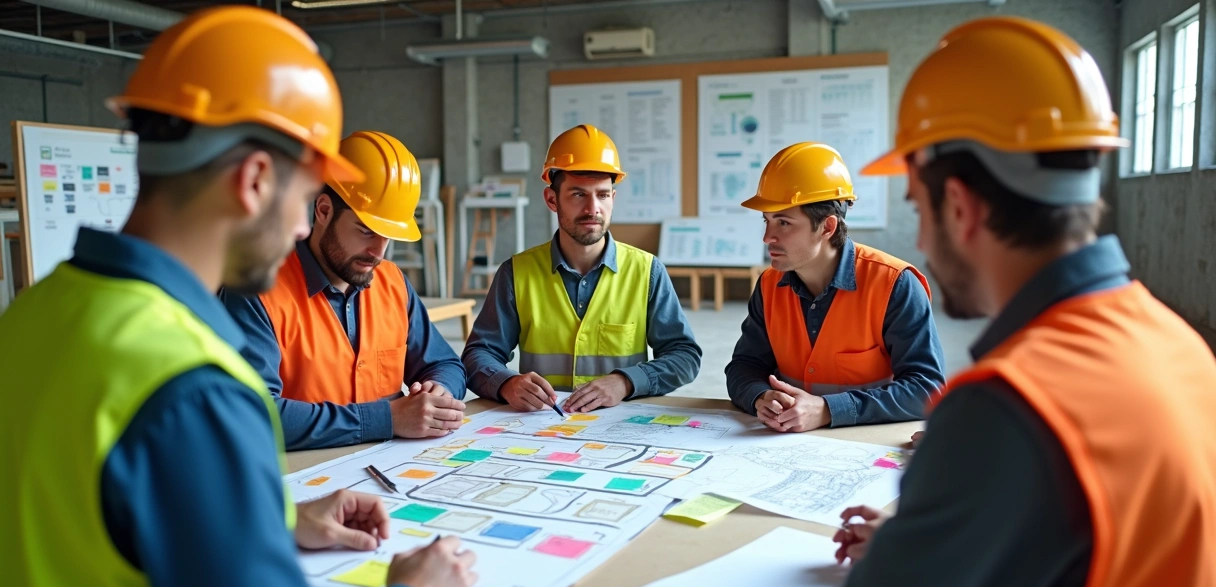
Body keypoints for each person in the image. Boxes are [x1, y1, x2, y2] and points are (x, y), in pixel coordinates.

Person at [0, 8, 476, 587]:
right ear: (254, 180)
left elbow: (93, 517)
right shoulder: (195, 383)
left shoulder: (31, 316)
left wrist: (276, 517)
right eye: (302, 196)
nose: (304, 226)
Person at [804, 16, 1216, 587]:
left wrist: (898, 571)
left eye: (919, 208)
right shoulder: (1179, 345)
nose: (919, 239)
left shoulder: (1007, 407)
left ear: (962, 207)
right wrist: (938, 542)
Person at [221, 130, 467, 451]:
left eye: (388, 236)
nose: (378, 251)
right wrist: (387, 419)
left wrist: (439, 393)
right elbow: (253, 416)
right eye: (366, 231)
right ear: (323, 211)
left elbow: (446, 364)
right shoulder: (257, 290)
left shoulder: (391, 281)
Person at [462, 124, 702, 413]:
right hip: (541, 427)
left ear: (613, 198)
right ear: (552, 199)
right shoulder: (516, 273)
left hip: (620, 427)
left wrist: (626, 381)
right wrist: (506, 383)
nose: (593, 209)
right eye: (578, 195)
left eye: (602, 195)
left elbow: (684, 356)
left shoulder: (647, 271)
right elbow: (478, 354)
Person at [726, 142, 945, 431]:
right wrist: (760, 397)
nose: (768, 237)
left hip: (866, 442)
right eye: (766, 221)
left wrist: (829, 409)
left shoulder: (894, 284)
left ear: (827, 227)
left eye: (784, 223)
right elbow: (743, 367)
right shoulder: (769, 285)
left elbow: (926, 389)